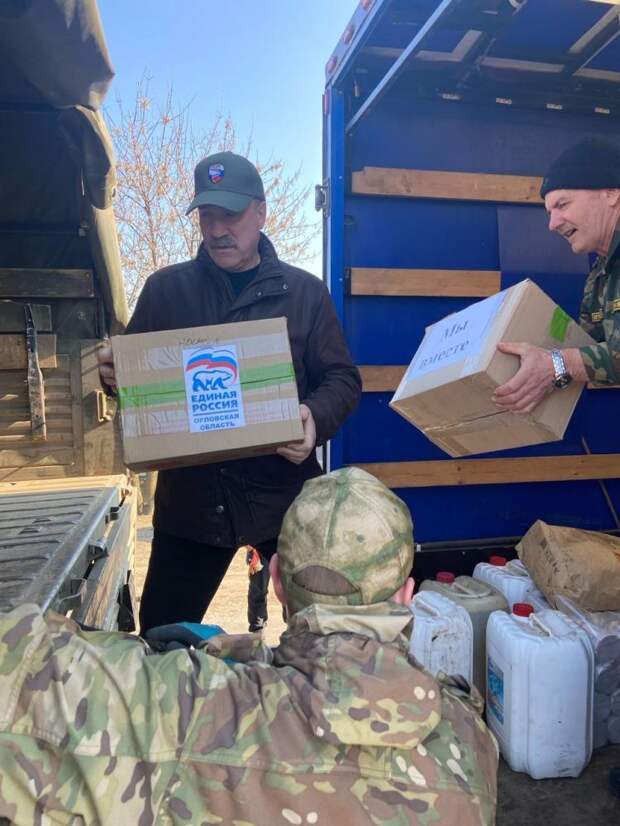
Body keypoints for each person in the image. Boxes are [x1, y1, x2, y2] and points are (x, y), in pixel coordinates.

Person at [0, 467, 498, 825]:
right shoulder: (470, 741)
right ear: (407, 595)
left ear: (275, 579)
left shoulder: (191, 708)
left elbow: (21, 666)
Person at [98, 151, 361, 633]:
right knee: (162, 641)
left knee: (326, 632)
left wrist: (313, 417)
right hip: (192, 507)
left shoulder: (304, 294)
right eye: (207, 216)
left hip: (284, 499)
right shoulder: (165, 292)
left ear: (261, 213)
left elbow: (343, 378)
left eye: (230, 215)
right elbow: (136, 387)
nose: (217, 229)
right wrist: (113, 375)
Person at [493, 136, 620, 412]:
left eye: (562, 205)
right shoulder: (601, 273)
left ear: (611, 193)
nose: (552, 224)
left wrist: (556, 365)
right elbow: (591, 348)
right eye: (549, 212)